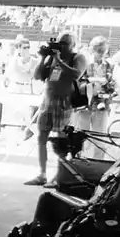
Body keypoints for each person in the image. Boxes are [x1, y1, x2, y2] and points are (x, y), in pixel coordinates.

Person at [25, 32, 87, 187]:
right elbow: (38, 75)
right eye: (60, 43)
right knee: (41, 138)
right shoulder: (53, 57)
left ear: (73, 45)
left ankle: (60, 176)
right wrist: (43, 58)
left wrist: (59, 60)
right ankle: (42, 174)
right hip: (47, 101)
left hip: (64, 103)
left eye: (65, 43)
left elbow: (76, 74)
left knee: (61, 142)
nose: (62, 46)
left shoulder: (78, 58)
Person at [73, 36, 113, 159]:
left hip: (101, 106)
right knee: (81, 136)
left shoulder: (109, 66)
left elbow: (112, 86)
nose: (101, 53)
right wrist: (93, 82)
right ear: (92, 49)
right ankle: (77, 160)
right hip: (84, 106)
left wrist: (106, 96)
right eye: (98, 50)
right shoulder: (83, 63)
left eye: (103, 50)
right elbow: (76, 82)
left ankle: (98, 162)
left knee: (99, 137)